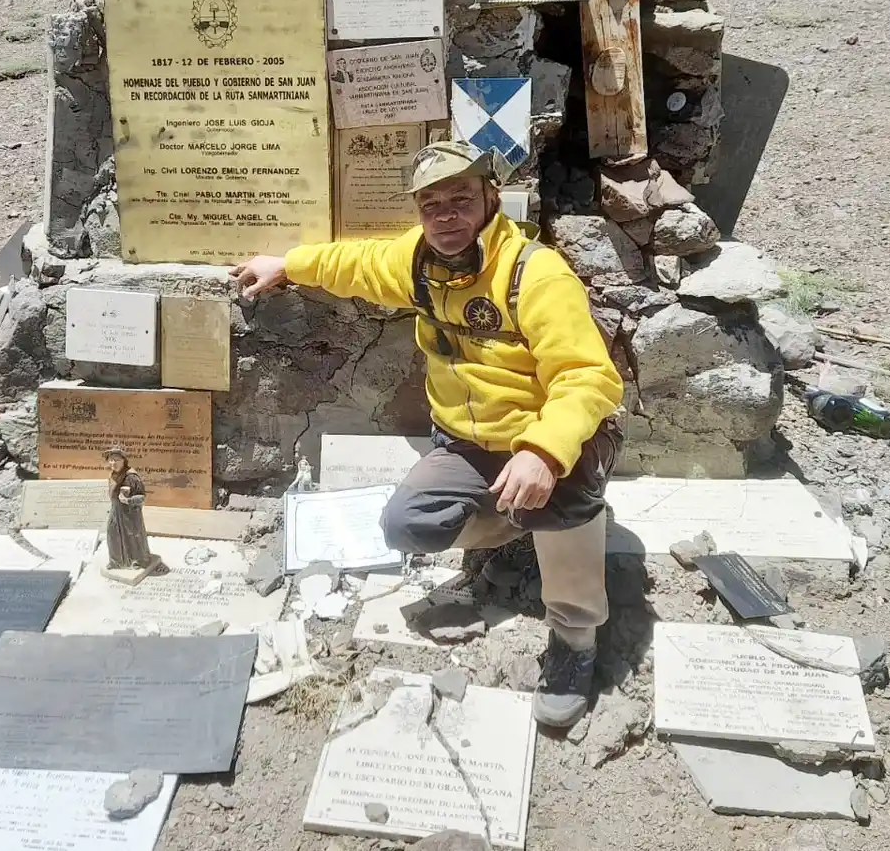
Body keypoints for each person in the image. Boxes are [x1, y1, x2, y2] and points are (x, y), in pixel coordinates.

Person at [233, 141, 624, 728]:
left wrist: (543, 452)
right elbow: (356, 265)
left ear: (491, 198)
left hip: (547, 439)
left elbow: (588, 377)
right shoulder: (417, 261)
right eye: (431, 204)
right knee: (406, 526)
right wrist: (288, 264)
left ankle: (574, 638)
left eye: (461, 199)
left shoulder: (534, 273)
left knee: (563, 503)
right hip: (466, 444)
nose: (446, 216)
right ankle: (521, 529)